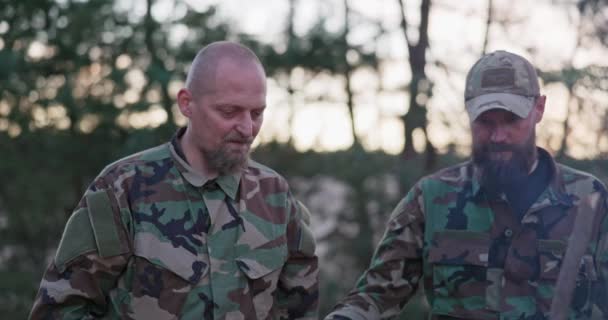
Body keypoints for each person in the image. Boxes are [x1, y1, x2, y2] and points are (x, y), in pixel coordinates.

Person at [29, 41, 319, 320]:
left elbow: (299, 308)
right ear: (187, 104)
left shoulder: (275, 195)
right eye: (229, 112)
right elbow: (60, 310)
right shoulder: (123, 188)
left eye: (257, 113)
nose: (246, 128)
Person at [325, 50, 608, 319]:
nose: (498, 136)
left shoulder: (590, 200)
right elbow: (376, 296)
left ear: (539, 109)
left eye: (511, 120)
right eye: (485, 121)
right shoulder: (431, 198)